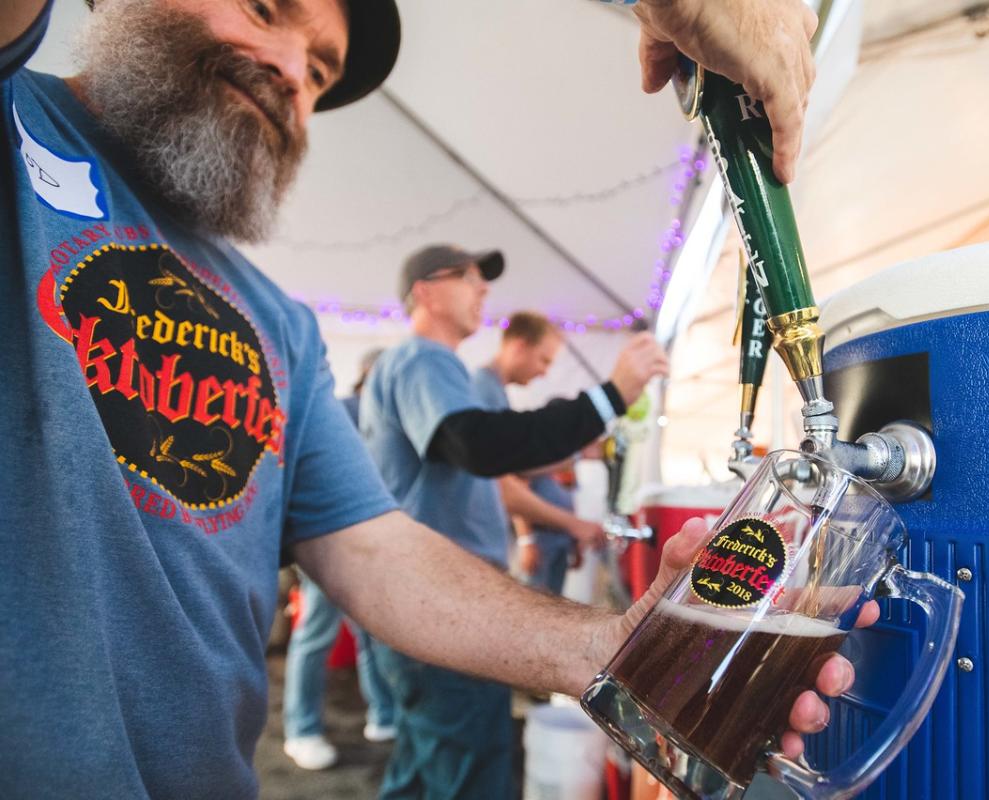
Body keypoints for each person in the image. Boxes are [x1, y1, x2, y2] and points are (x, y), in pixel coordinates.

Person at [0, 1, 865, 798]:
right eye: (267, 8)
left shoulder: (280, 326)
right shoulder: (15, 117)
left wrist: (613, 646)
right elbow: (476, 447)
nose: (297, 73)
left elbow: (374, 548)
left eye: (323, 72)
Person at [359, 247, 671, 797]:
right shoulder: (423, 360)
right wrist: (610, 395)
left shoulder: (433, 369)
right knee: (471, 764)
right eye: (469, 278)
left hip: (425, 597)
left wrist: (578, 448)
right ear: (425, 291)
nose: (483, 289)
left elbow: (494, 459)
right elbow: (479, 445)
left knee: (425, 760)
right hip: (442, 602)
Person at [282, 348, 398, 770]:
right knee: (315, 634)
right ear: (369, 376)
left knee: (372, 634)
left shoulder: (389, 418)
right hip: (326, 544)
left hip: (374, 548)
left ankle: (384, 715)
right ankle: (300, 729)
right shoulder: (342, 410)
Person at [473, 311, 599, 594]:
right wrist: (570, 526)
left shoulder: (495, 392)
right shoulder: (484, 391)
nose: (544, 371)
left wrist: (576, 456)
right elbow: (504, 482)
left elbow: (517, 465)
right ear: (519, 346)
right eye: (544, 360)